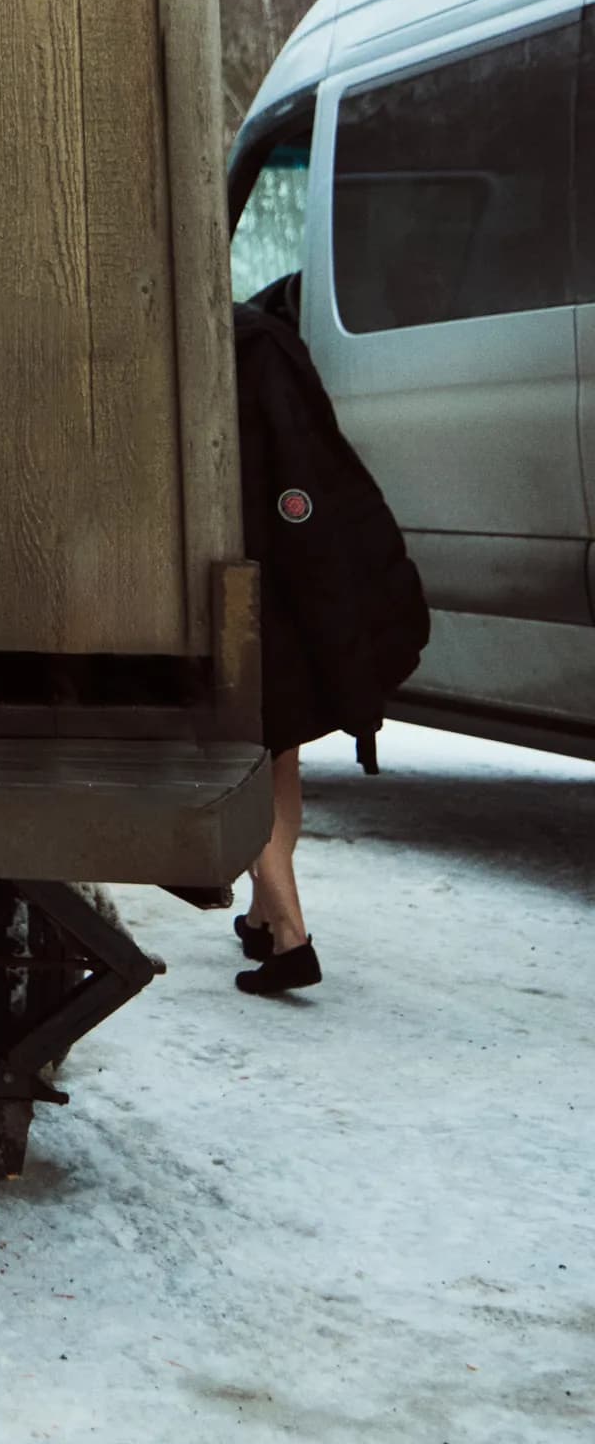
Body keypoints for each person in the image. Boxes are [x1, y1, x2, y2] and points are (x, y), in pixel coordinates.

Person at [230, 288, 430, 997]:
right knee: (277, 760)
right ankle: (262, 918)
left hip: (237, 592)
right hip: (281, 585)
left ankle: (290, 937)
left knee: (245, 761)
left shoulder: (227, 346)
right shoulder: (264, 342)